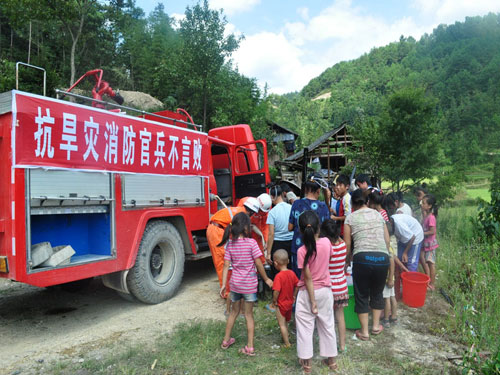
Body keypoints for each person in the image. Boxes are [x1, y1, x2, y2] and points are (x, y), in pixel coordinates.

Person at [219, 212, 273, 356]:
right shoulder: (252, 243)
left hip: (235, 284)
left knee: (233, 312)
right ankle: (249, 347)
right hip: (249, 285)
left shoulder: (230, 244)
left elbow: (225, 265)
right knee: (248, 315)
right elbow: (259, 263)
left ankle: (225, 340)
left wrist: (223, 284)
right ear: (245, 227)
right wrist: (266, 279)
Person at [344, 189, 391, 341]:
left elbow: (347, 244)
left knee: (362, 294)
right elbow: (387, 240)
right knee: (377, 292)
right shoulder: (377, 214)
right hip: (382, 258)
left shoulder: (350, 218)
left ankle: (364, 331)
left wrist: (346, 262)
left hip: (362, 258)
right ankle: (376, 327)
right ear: (367, 201)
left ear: (352, 203)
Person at [295, 210, 338, 373]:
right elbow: (329, 259)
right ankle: (332, 361)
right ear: (318, 227)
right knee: (327, 325)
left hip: (308, 294)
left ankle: (307, 365)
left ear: (300, 230)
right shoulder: (327, 243)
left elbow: (307, 278)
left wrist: (312, 302)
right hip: (326, 291)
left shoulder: (301, 251)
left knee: (305, 328)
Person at [207, 197, 260, 287]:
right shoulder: (241, 215)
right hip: (217, 231)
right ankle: (227, 291)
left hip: (216, 229)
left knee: (224, 260)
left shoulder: (239, 210)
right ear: (251, 212)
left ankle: (229, 288)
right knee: (222, 261)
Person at [288, 174, 330, 278]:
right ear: (318, 191)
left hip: (299, 246)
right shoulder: (323, 206)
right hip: (317, 248)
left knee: (299, 279)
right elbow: (327, 228)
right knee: (315, 277)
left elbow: (290, 227)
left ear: (306, 189)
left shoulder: (296, 204)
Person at [321, 219, 348, 352]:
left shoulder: (326, 248)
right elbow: (341, 241)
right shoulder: (343, 246)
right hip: (341, 286)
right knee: (340, 316)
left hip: (329, 286)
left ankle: (329, 346)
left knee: (327, 318)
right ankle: (343, 345)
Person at [389, 213, 424, 300]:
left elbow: (412, 237)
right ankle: (402, 289)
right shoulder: (389, 223)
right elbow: (394, 256)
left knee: (411, 264)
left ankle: (412, 293)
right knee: (400, 261)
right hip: (404, 239)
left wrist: (405, 252)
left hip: (415, 238)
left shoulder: (400, 226)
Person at [271, 249, 298, 347]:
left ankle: (287, 343)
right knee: (286, 321)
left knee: (281, 324)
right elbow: (297, 285)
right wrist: (294, 295)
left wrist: (274, 301)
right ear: (288, 261)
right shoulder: (292, 273)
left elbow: (276, 291)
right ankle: (286, 336)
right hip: (290, 303)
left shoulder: (278, 276)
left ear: (276, 263)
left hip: (281, 304)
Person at [266, 185, 293, 278]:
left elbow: (271, 234)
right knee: (289, 268)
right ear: (282, 194)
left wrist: (268, 253)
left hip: (277, 244)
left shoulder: (272, 212)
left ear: (272, 197)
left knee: (278, 272)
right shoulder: (291, 208)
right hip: (291, 242)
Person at [420, 194, 439, 291]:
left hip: (430, 244)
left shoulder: (431, 217)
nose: (421, 204)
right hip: (425, 243)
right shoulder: (426, 215)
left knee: (431, 263)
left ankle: (432, 284)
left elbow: (433, 231)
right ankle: (428, 281)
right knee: (425, 261)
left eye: (424, 203)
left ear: (429, 206)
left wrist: (422, 233)